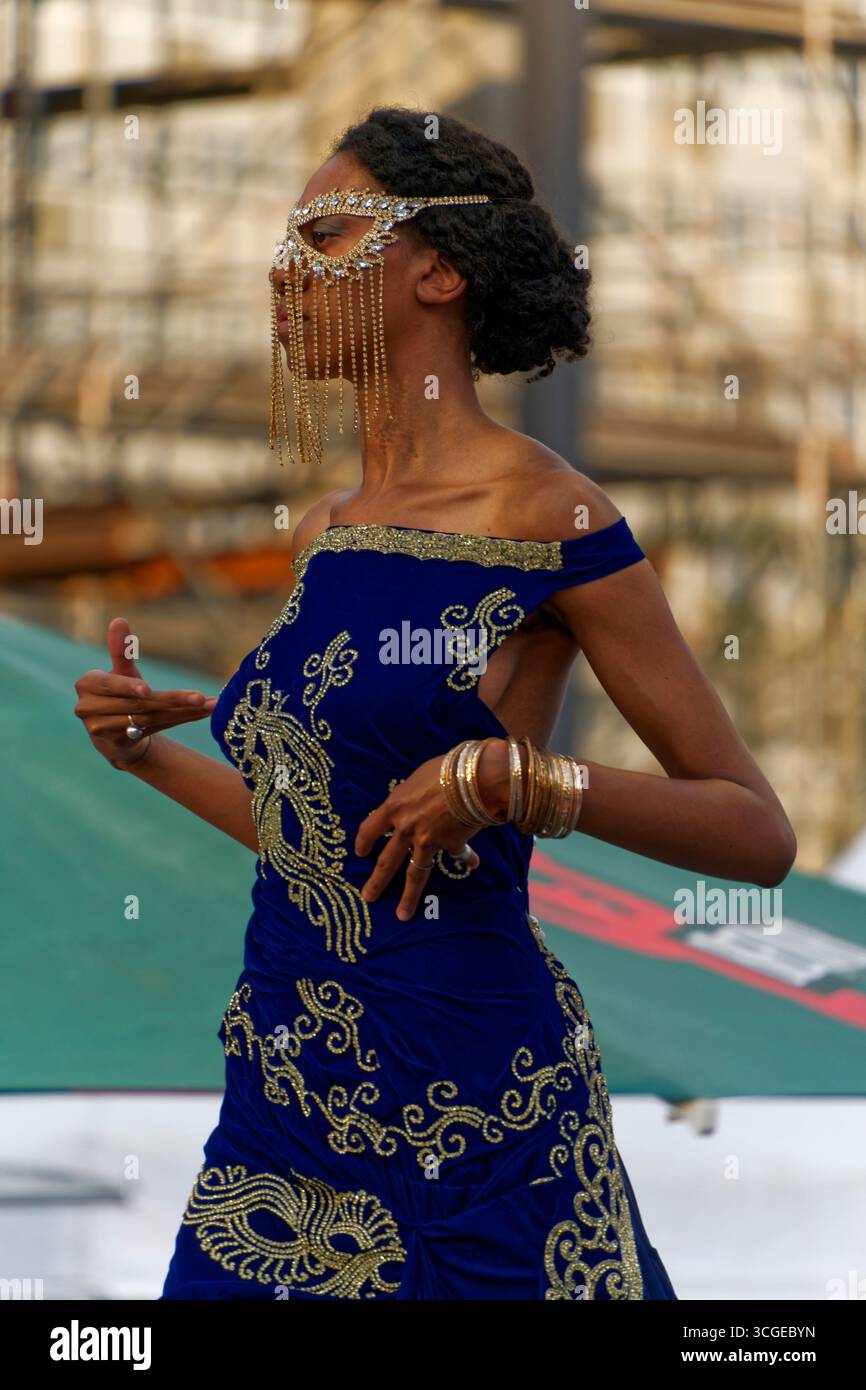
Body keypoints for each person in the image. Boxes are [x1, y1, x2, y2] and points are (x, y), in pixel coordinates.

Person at [73, 106, 796, 1300]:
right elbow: (324, 843)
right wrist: (143, 753)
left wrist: (516, 780)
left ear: (438, 270)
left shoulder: (551, 518)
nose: (284, 268)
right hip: (287, 1105)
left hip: (477, 1109)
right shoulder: (324, 532)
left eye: (324, 233)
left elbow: (752, 831)